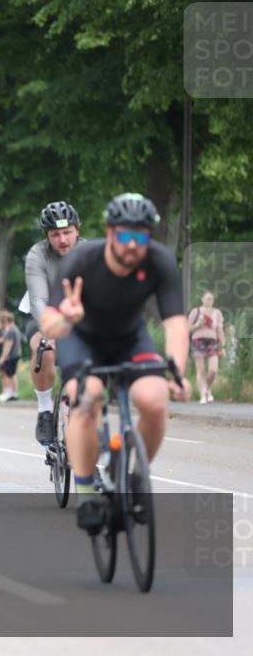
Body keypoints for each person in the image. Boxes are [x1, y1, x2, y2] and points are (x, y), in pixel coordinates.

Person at [41, 193, 191, 535]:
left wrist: (179, 372)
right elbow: (50, 323)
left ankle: (136, 477)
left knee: (154, 401)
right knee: (87, 398)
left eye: (141, 237)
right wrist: (66, 318)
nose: (132, 245)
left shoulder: (160, 261)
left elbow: (175, 323)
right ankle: (86, 493)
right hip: (81, 337)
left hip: (129, 338)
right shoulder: (81, 259)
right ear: (110, 233)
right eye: (125, 236)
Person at [23, 201, 83, 443]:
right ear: (47, 236)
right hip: (44, 317)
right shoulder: (37, 255)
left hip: (80, 319)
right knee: (44, 350)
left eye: (67, 232)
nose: (62, 239)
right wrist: (52, 332)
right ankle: (45, 410)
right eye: (55, 234)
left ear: (77, 229)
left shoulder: (90, 253)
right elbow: (38, 300)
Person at [188, 291, 226, 404]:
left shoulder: (217, 312)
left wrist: (223, 345)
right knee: (200, 370)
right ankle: (202, 395)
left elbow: (220, 330)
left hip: (212, 341)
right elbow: (187, 328)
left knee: (213, 370)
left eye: (211, 299)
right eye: (207, 298)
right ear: (202, 299)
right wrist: (198, 325)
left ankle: (207, 389)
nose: (209, 301)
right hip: (198, 341)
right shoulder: (196, 311)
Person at [0, 310, 21, 403]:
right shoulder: (7, 329)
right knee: (8, 373)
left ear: (7, 320)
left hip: (11, 355)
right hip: (10, 355)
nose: (1, 320)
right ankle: (10, 392)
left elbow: (8, 345)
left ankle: (12, 393)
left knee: (10, 374)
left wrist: (3, 357)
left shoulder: (11, 330)